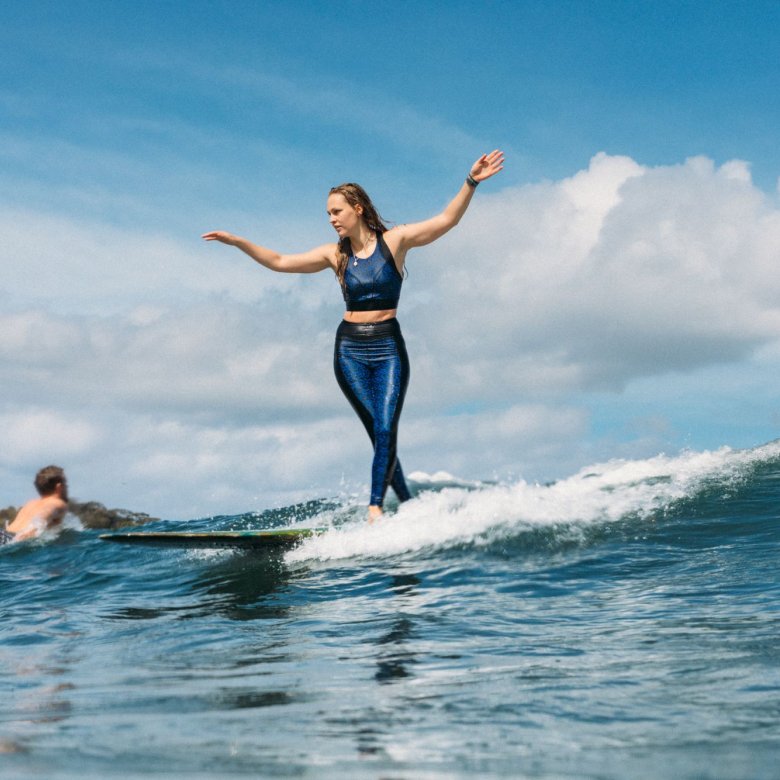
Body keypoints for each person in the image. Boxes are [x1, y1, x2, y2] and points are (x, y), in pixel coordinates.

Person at [203, 150, 504, 521]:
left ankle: (376, 507)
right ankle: (407, 506)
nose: (331, 220)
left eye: (336, 212)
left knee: (385, 428)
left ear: (358, 208)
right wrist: (237, 242)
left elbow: (446, 220)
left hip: (388, 346)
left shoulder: (396, 241)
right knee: (380, 433)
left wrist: (470, 181)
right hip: (349, 352)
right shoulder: (335, 255)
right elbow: (280, 262)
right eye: (328, 214)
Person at [4, 465, 69, 542]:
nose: (67, 487)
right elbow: (43, 515)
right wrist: (23, 537)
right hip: (13, 538)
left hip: (5, 534)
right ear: (59, 487)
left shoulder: (30, 503)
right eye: (65, 483)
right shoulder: (58, 503)